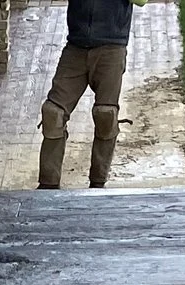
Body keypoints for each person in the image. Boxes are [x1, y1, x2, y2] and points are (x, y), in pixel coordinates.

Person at [39, 0, 132, 190]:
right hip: (76, 45)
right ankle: (48, 184)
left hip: (112, 46)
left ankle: (98, 182)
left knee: (106, 114)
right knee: (53, 112)